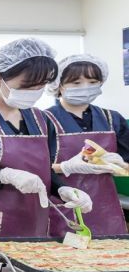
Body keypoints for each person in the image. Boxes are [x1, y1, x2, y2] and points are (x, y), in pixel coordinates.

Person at [0, 38, 92, 247]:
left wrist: (62, 189)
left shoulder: (41, 120)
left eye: (40, 86)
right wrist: (5, 176)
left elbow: (43, 171)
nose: (34, 92)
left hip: (33, 224)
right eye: (27, 86)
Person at [45, 54, 129, 236]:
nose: (85, 88)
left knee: (111, 259)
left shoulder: (113, 119)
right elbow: (34, 169)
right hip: (62, 204)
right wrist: (66, 167)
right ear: (59, 86)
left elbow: (127, 164)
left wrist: (121, 165)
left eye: (92, 82)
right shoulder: (43, 120)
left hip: (105, 208)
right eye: (76, 83)